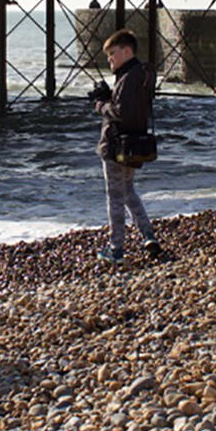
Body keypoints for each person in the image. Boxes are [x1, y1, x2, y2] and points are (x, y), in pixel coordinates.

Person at [93, 30, 166, 263]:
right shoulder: (143, 74)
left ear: (126, 51)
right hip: (135, 144)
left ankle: (116, 249)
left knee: (115, 197)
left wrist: (101, 104)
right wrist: (110, 96)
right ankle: (148, 237)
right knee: (128, 192)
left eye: (112, 54)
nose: (110, 59)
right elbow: (134, 110)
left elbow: (121, 113)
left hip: (117, 146)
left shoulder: (127, 77)